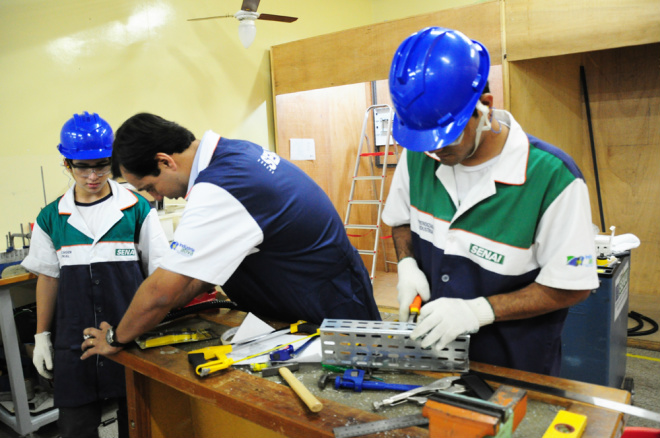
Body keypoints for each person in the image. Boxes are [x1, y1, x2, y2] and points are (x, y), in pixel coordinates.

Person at [382, 27, 599, 376]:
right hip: (437, 359)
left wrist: (478, 311)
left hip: (515, 368)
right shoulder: (418, 156)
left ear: (484, 108)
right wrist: (407, 266)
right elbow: (400, 220)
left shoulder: (554, 178)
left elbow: (571, 287)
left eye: (447, 138)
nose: (435, 152)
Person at [79, 112, 380, 359]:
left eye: (148, 187)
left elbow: (161, 292)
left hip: (327, 312)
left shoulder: (220, 187)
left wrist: (115, 338)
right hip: (323, 293)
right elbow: (199, 275)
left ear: (165, 161)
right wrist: (149, 314)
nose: (157, 196)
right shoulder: (235, 153)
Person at [22, 112, 169, 438]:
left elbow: (158, 274)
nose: (92, 175)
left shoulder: (135, 208)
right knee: (75, 428)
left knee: (141, 422)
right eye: (81, 166)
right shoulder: (51, 218)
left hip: (130, 334)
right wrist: (42, 336)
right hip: (74, 342)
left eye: (101, 165)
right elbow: (48, 278)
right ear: (67, 164)